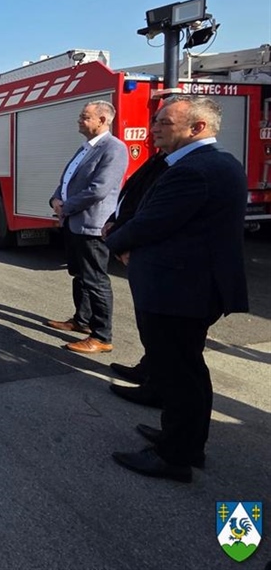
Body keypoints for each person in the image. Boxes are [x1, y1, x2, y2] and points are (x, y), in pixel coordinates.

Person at [106, 96, 248, 483]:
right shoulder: (216, 162)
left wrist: (114, 241)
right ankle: (185, 440)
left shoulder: (195, 170)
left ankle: (175, 456)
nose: (155, 129)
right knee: (185, 369)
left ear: (196, 128)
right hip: (189, 287)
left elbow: (151, 222)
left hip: (179, 290)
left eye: (165, 122)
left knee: (179, 373)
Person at [46, 100, 128, 353]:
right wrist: (55, 199)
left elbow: (98, 189)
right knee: (80, 276)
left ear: (103, 120)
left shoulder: (114, 149)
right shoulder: (86, 148)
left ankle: (102, 336)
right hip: (74, 222)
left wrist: (66, 207)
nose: (79, 120)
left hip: (92, 225)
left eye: (85, 116)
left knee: (95, 280)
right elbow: (68, 179)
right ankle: (81, 321)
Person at [101, 148, 170, 407]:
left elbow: (154, 216)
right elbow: (132, 197)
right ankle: (148, 367)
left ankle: (157, 387)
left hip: (156, 259)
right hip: (137, 249)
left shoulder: (185, 165)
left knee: (163, 330)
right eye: (155, 121)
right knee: (149, 323)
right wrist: (113, 220)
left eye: (165, 123)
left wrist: (119, 243)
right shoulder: (161, 158)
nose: (155, 128)